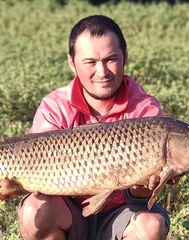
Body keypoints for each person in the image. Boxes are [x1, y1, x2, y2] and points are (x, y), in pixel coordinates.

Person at [18, 15, 177, 240]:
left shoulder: (144, 111)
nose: (102, 72)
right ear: (72, 62)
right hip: (69, 214)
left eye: (111, 59)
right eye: (90, 62)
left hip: (122, 213)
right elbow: (40, 183)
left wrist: (146, 184)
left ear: (125, 57)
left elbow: (140, 199)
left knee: (150, 226)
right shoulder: (55, 107)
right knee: (35, 211)